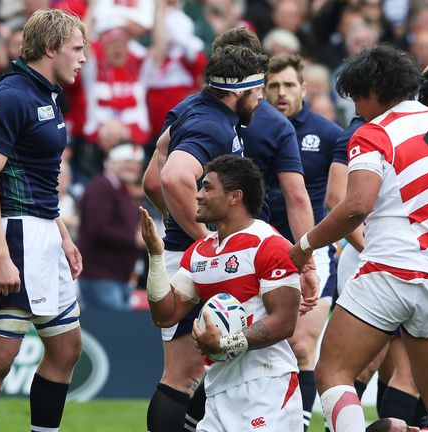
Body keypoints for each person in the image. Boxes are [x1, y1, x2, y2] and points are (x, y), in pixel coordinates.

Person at [288, 45, 428, 430]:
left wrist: (304, 246)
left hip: (388, 273)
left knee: (332, 373)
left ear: (371, 92)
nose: (357, 110)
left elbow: (355, 206)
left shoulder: (374, 133)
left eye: (357, 99)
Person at [0, 9, 87, 432]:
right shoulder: (12, 96)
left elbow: (39, 178)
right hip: (15, 232)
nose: (83, 58)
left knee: (67, 348)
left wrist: (62, 234)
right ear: (50, 49)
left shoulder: (47, 93)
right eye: (77, 49)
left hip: (42, 229)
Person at [142, 42, 269, 432]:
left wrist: (179, 225)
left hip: (190, 253)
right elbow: (171, 178)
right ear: (239, 91)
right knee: (183, 375)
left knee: (190, 372)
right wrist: (204, 241)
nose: (261, 99)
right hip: (200, 259)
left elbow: (151, 179)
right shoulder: (211, 124)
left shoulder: (190, 108)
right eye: (258, 90)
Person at [140, 155, 303, 431]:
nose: (199, 195)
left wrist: (224, 344)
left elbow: (285, 322)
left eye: (207, 188)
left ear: (235, 197)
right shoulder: (200, 252)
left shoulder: (270, 244)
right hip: (217, 390)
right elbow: (165, 315)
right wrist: (156, 256)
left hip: (266, 387)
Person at [264, 52, 343, 431]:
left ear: (304, 88)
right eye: (273, 86)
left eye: (289, 85)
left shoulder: (329, 135)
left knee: (300, 345)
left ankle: (299, 425)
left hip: (312, 251)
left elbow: (341, 197)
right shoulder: (250, 130)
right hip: (259, 250)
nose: (281, 93)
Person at [78, 143, 145, 311]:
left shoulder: (120, 190)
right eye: (127, 160)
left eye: (137, 162)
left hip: (117, 278)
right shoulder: (101, 188)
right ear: (112, 162)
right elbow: (98, 229)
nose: (134, 166)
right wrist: (134, 238)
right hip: (101, 278)